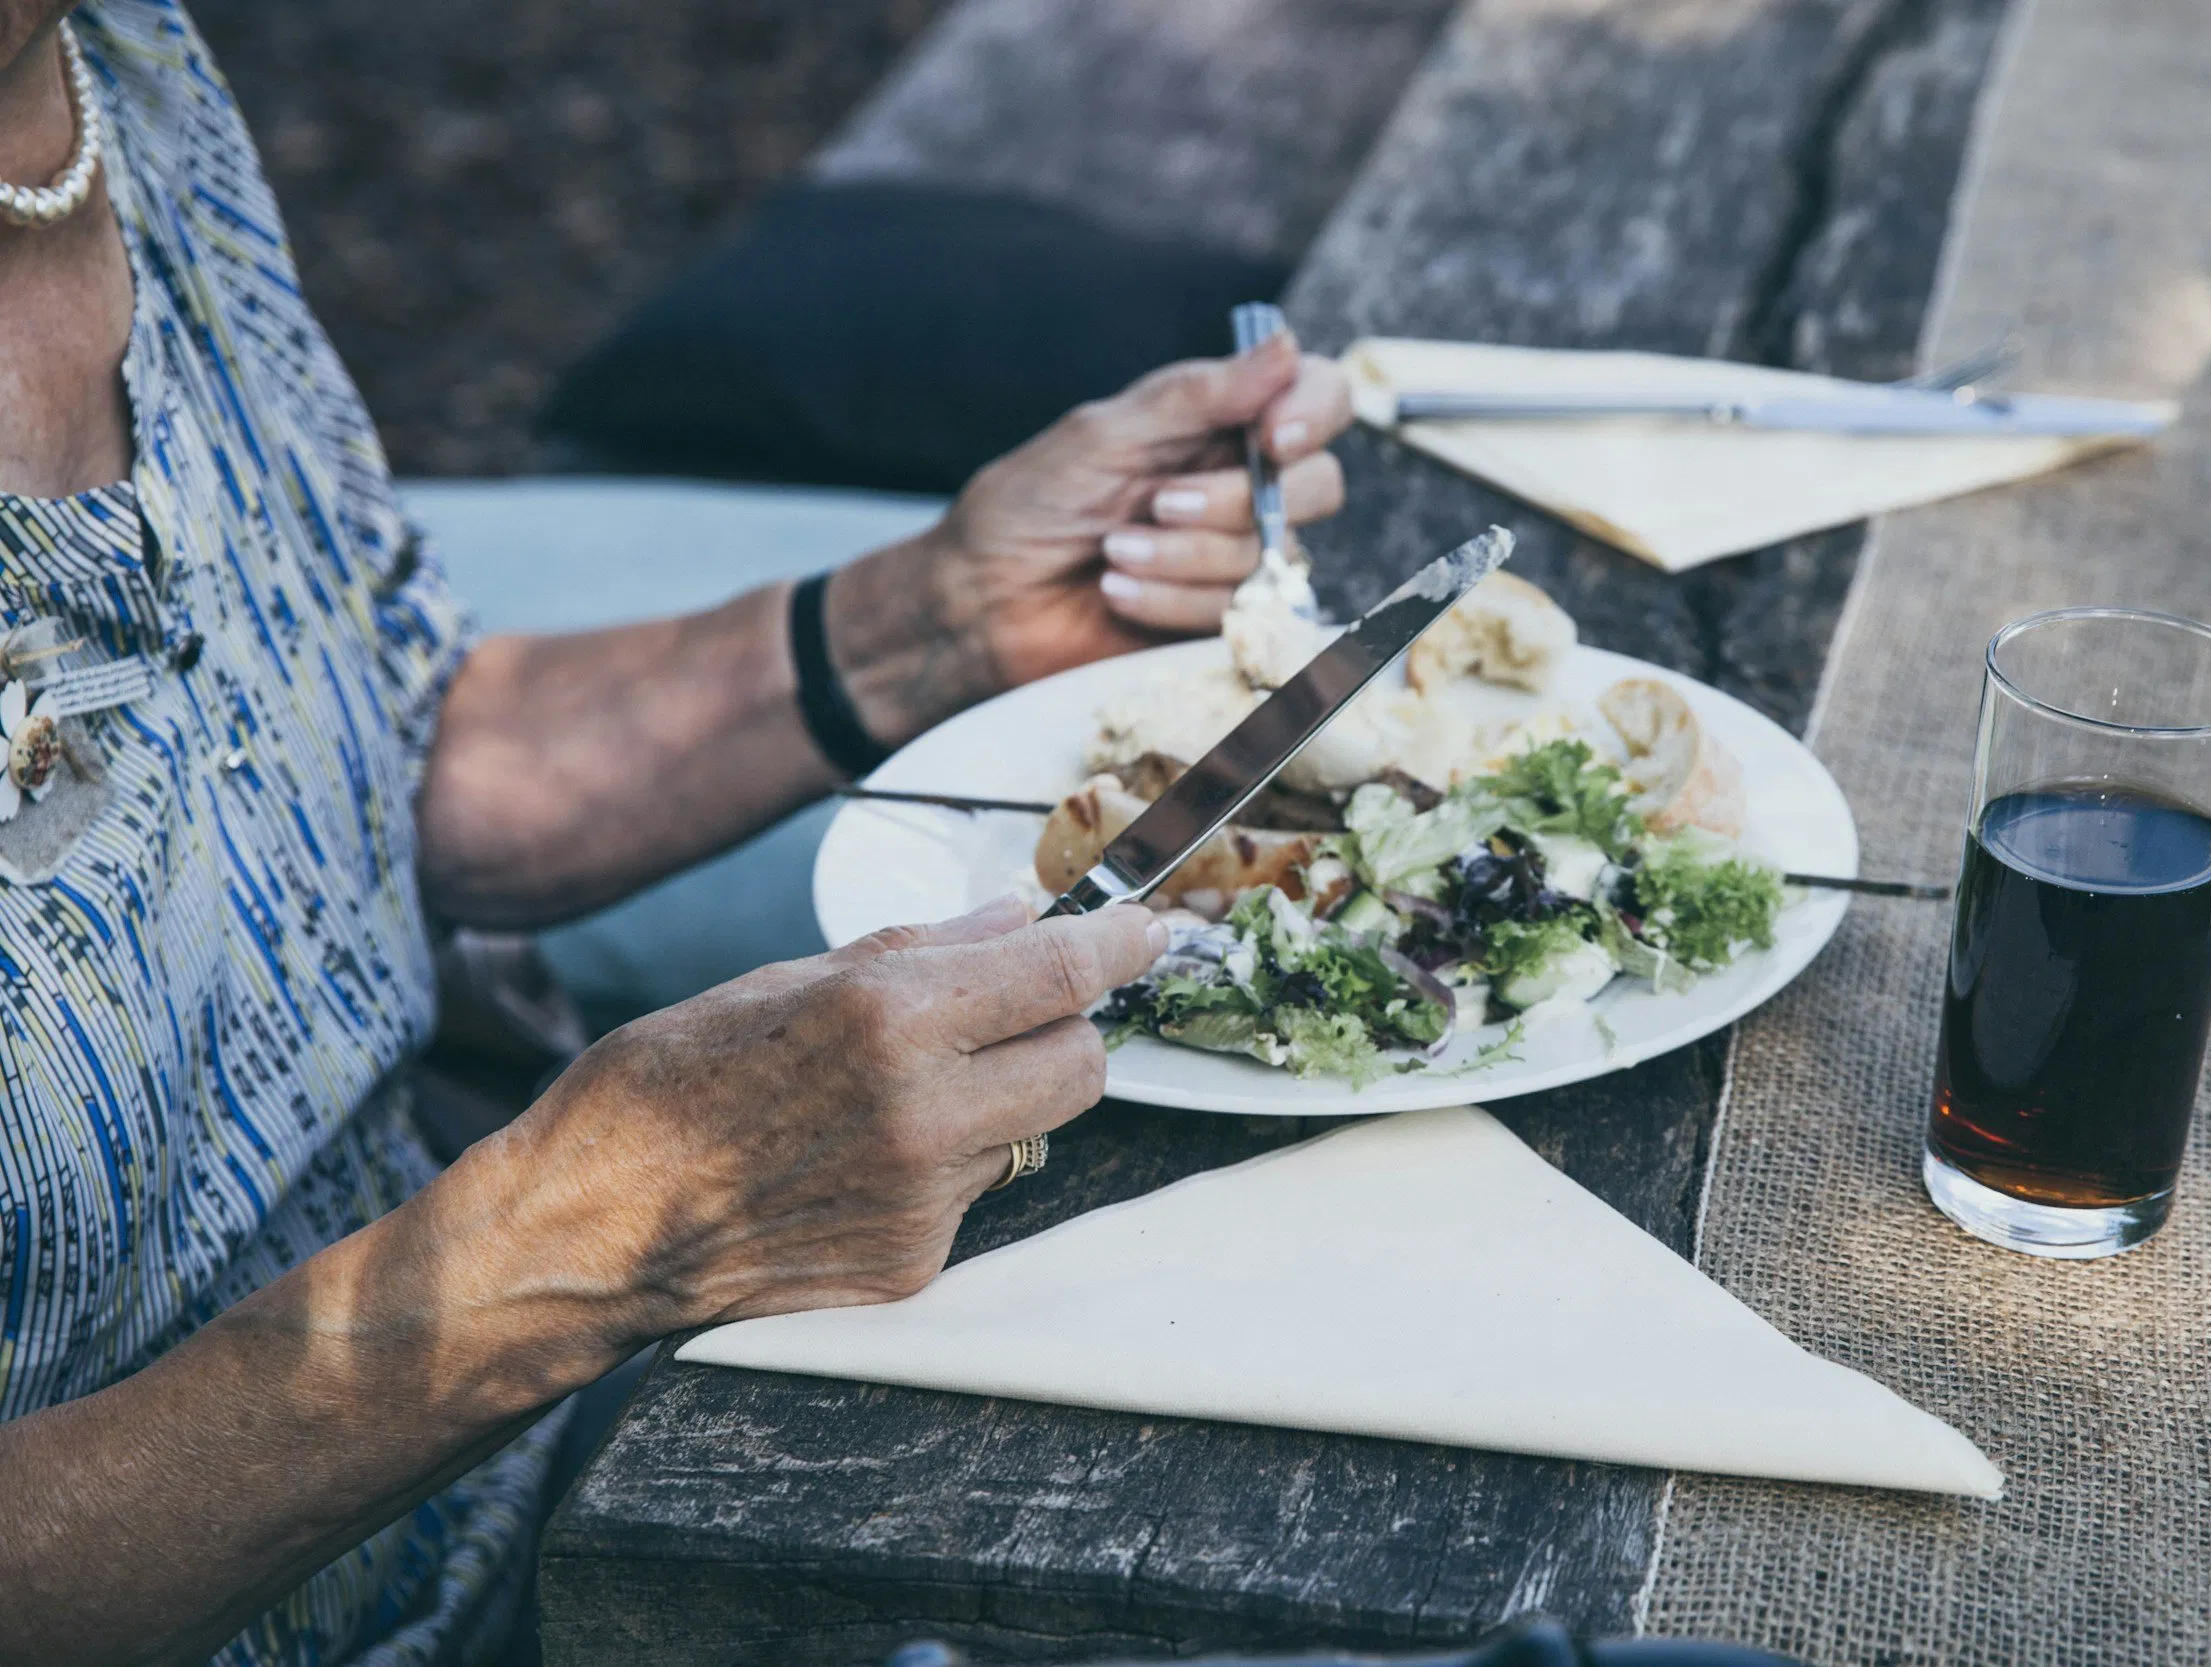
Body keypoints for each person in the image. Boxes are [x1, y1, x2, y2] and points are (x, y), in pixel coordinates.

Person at [0, 2, 1354, 1661]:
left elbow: (333, 768)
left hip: (538, 1472)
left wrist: (928, 623)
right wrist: (578, 1241)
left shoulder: (115, 70)